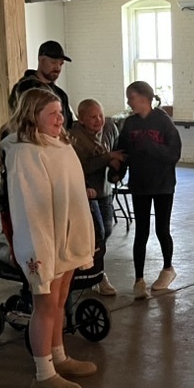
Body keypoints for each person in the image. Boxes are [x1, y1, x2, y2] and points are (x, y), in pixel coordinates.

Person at [1, 89, 97, 388]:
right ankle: (43, 373)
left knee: (60, 299)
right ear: (33, 117)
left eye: (60, 112)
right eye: (52, 113)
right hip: (45, 239)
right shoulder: (26, 152)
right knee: (44, 304)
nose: (60, 118)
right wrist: (39, 249)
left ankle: (59, 357)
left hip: (65, 237)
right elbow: (30, 207)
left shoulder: (59, 143)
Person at [114, 81, 181, 299]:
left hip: (162, 185)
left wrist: (150, 146)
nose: (128, 101)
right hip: (140, 185)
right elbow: (121, 151)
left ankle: (168, 268)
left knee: (162, 228)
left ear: (144, 98)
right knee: (141, 232)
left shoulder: (163, 121)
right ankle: (139, 279)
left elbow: (173, 153)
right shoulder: (129, 124)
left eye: (131, 97)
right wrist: (117, 172)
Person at [69, 99, 120, 297]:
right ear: (81, 119)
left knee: (105, 231)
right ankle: (96, 274)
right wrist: (108, 157)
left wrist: (117, 171)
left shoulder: (110, 129)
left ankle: (93, 269)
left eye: (100, 115)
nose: (98, 120)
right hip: (86, 192)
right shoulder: (74, 138)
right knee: (95, 235)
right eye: (92, 117)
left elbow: (116, 155)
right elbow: (81, 167)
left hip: (105, 191)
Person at [8, 40, 74, 129]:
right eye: (53, 62)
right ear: (42, 61)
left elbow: (68, 125)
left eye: (61, 64)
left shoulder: (61, 94)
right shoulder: (24, 88)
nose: (57, 68)